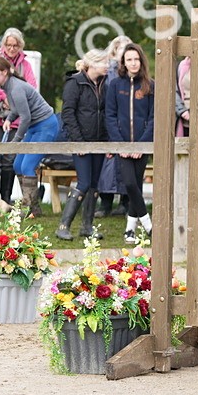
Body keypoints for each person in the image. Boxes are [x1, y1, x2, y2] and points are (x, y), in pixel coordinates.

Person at [0, 55, 60, 216]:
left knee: (27, 166)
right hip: (34, 127)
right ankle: (34, 208)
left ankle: (27, 208)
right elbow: (18, 110)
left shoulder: (16, 88)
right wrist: (9, 119)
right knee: (17, 165)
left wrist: (15, 141)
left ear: (5, 72)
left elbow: (25, 118)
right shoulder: (8, 86)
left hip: (46, 126)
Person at [0, 28, 37, 204]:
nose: (11, 48)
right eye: (8, 45)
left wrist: (15, 101)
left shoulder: (25, 66)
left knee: (9, 158)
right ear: (3, 44)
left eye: (15, 45)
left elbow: (32, 87)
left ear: (20, 46)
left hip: (15, 116)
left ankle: (5, 199)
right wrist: (5, 98)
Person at [56, 49, 110, 241]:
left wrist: (107, 143)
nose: (108, 65)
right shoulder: (75, 83)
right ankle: (63, 225)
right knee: (84, 182)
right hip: (81, 141)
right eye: (104, 62)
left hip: (99, 142)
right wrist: (78, 142)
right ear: (93, 64)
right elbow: (68, 113)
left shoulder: (104, 83)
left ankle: (87, 227)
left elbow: (106, 113)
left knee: (95, 184)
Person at [105, 43, 155, 244]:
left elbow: (153, 118)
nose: (133, 63)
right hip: (122, 146)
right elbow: (110, 115)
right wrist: (121, 145)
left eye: (136, 59)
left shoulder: (150, 85)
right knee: (129, 183)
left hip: (143, 145)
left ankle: (130, 230)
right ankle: (149, 226)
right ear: (123, 63)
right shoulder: (115, 85)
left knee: (137, 185)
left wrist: (141, 145)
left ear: (141, 61)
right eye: (129, 60)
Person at [96, 35, 133, 218]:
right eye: (121, 48)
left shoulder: (134, 71)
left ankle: (125, 204)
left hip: (129, 123)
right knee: (108, 166)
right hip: (109, 121)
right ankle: (105, 204)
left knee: (127, 164)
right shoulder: (107, 72)